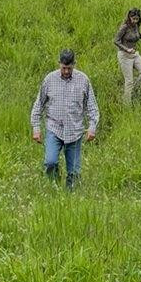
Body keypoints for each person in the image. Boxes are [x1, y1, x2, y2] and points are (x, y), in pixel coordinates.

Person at [30, 48, 98, 188]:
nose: (66, 71)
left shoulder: (83, 80)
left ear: (74, 64)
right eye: (64, 68)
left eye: (69, 68)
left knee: (74, 172)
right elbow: (38, 105)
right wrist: (36, 128)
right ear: (59, 64)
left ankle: (69, 197)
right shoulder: (49, 79)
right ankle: (53, 187)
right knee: (50, 162)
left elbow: (92, 107)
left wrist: (92, 127)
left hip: (74, 131)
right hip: (54, 129)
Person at [114, 7, 141, 102]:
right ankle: (127, 104)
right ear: (129, 17)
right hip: (124, 55)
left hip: (134, 54)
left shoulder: (136, 26)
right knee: (128, 81)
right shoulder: (124, 27)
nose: (135, 21)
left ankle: (133, 88)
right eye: (133, 18)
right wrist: (127, 49)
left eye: (137, 19)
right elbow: (116, 41)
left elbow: (138, 36)